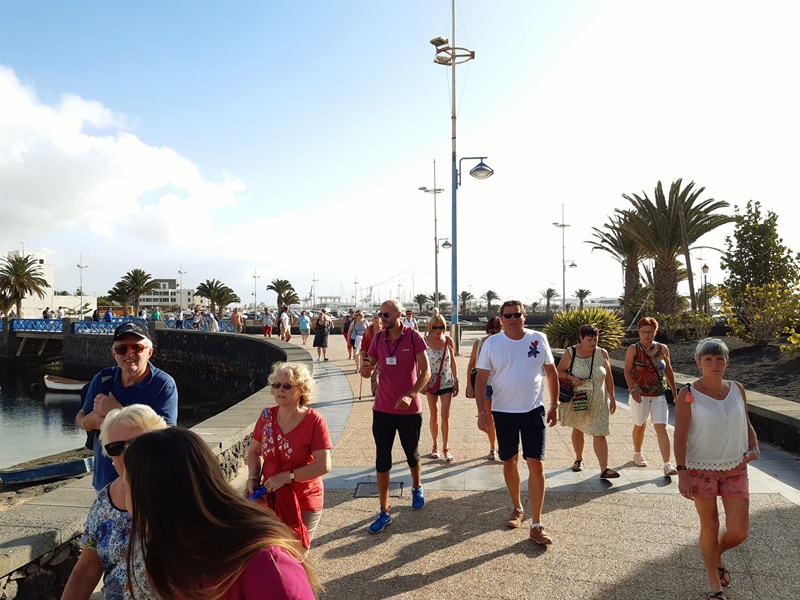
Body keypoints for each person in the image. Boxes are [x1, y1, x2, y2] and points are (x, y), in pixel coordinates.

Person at [123, 428, 319, 599]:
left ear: (152, 498)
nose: (124, 502)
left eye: (125, 488)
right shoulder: (180, 552)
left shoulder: (266, 562)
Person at [674, 338, 759, 600]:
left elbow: (745, 422)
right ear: (698, 363)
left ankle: (715, 555)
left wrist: (754, 447)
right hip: (700, 468)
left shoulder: (737, 389)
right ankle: (714, 581)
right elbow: (680, 435)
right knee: (709, 527)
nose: (714, 364)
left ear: (727, 362)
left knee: (739, 532)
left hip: (736, 466)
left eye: (719, 359)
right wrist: (682, 472)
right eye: (708, 360)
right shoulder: (688, 392)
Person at [475, 300, 559, 546]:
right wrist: (482, 411)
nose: (513, 319)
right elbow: (481, 380)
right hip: (503, 412)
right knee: (510, 460)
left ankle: (537, 524)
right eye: (508, 315)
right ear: (501, 319)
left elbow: (551, 373)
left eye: (517, 314)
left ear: (525, 316)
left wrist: (554, 405)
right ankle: (517, 508)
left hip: (534, 410)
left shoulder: (538, 338)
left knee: (536, 464)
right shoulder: (492, 344)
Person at [61, 405, 167, 600]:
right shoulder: (104, 502)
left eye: (137, 443)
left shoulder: (178, 492)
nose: (128, 454)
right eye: (117, 448)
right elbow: (86, 570)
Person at [76, 321, 178, 491]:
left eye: (137, 348)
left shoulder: (163, 384)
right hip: (104, 482)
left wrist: (118, 412)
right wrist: (89, 422)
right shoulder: (103, 380)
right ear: (114, 353)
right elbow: (81, 416)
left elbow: (167, 435)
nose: (129, 353)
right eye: (122, 349)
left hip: (145, 480)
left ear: (149, 352)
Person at [360, 300, 430, 534]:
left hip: (409, 410)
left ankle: (417, 487)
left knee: (412, 454)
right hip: (382, 409)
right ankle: (384, 510)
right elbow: (370, 367)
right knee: (382, 459)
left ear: (399, 314)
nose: (382, 318)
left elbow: (426, 372)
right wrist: (365, 368)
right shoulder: (378, 338)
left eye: (386, 314)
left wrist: (410, 395)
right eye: (380, 314)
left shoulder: (413, 337)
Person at [245, 362, 332, 548]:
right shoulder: (266, 416)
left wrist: (287, 477)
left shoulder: (314, 421)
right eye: (276, 385)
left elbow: (323, 465)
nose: (280, 390)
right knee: (269, 551)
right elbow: (253, 451)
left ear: (302, 389)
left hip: (304, 498)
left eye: (287, 386)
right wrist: (253, 477)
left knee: (295, 553)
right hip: (270, 497)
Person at [556, 324, 619, 479]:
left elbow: (609, 377)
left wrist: (612, 397)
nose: (593, 343)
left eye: (595, 340)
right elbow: (558, 371)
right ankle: (579, 459)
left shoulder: (602, 353)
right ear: (581, 338)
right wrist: (570, 377)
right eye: (589, 340)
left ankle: (604, 469)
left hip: (599, 400)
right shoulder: (571, 352)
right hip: (579, 397)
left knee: (600, 431)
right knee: (578, 427)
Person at [624, 316, 679, 475]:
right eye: (643, 332)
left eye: (649, 332)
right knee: (640, 425)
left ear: (655, 332)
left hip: (659, 393)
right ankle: (637, 452)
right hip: (640, 393)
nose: (646, 335)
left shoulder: (662, 348)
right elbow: (627, 371)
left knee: (661, 426)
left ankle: (667, 464)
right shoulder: (634, 349)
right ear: (639, 332)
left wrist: (674, 390)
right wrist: (633, 390)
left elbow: (668, 370)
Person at [423, 312, 458, 462]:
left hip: (446, 382)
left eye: (441, 327)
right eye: (435, 327)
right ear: (431, 327)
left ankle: (446, 447)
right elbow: (420, 363)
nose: (438, 330)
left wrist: (456, 380)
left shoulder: (448, 340)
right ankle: (435, 446)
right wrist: (419, 381)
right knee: (434, 414)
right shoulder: (424, 341)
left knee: (445, 415)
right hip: (430, 382)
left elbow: (453, 362)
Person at [466, 317, 502, 460]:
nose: (495, 335)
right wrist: (469, 385)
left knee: (502, 418)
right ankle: (492, 448)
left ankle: (502, 447)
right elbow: (471, 365)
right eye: (492, 332)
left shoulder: (505, 343)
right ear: (488, 331)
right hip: (485, 385)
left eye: (498, 331)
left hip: (501, 385)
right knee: (489, 418)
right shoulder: (480, 343)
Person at [361, 313, 383, 396]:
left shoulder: (383, 329)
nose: (377, 320)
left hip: (382, 354)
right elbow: (364, 340)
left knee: (381, 373)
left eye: (378, 318)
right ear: (372, 320)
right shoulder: (368, 329)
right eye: (375, 318)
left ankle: (381, 390)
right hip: (372, 354)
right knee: (373, 372)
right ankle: (375, 390)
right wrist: (363, 349)